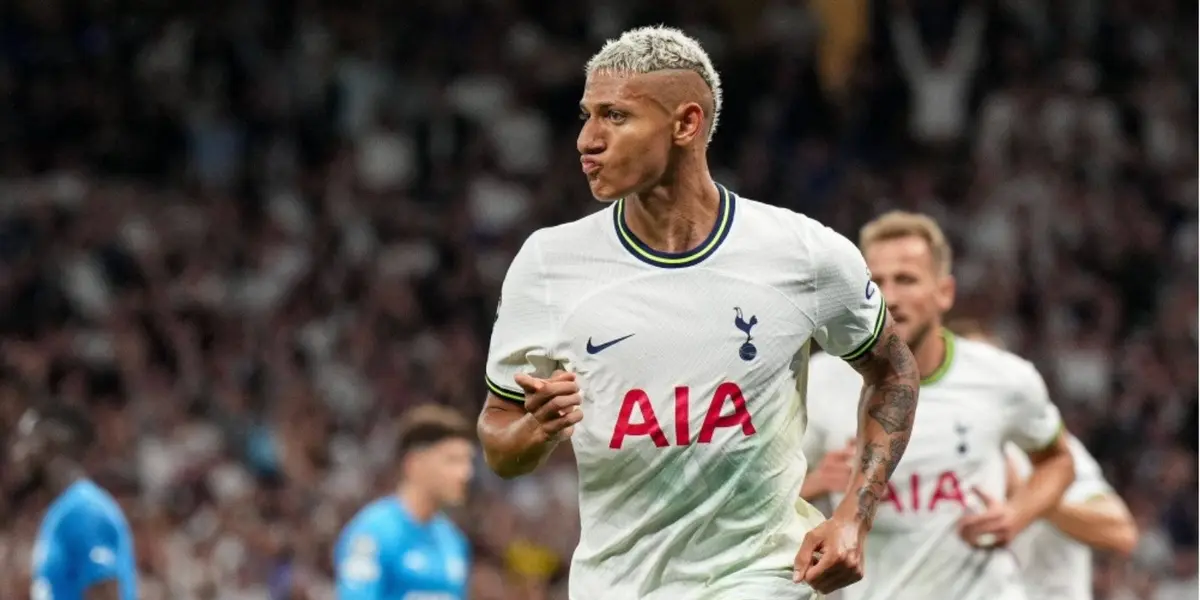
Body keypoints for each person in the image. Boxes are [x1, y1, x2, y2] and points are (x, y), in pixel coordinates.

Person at [478, 26, 921, 600]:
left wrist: (854, 516)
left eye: (615, 116)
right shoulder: (548, 264)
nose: (587, 139)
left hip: (763, 575)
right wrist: (535, 432)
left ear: (686, 124)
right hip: (616, 585)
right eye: (587, 116)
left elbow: (893, 370)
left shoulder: (804, 254)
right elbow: (499, 444)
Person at [801, 211, 1076, 600]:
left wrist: (1016, 514)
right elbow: (763, 494)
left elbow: (1058, 461)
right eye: (875, 282)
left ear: (944, 292)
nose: (890, 297)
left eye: (906, 280)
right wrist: (815, 485)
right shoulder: (820, 382)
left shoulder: (1004, 378)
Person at [333, 405, 474, 600]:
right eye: (452, 460)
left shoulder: (454, 541)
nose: (465, 473)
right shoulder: (373, 534)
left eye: (468, 461)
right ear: (414, 464)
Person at [10, 404, 138, 600]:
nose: (17, 452)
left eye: (26, 439)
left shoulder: (84, 510)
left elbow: (105, 594)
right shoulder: (63, 511)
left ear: (50, 443)